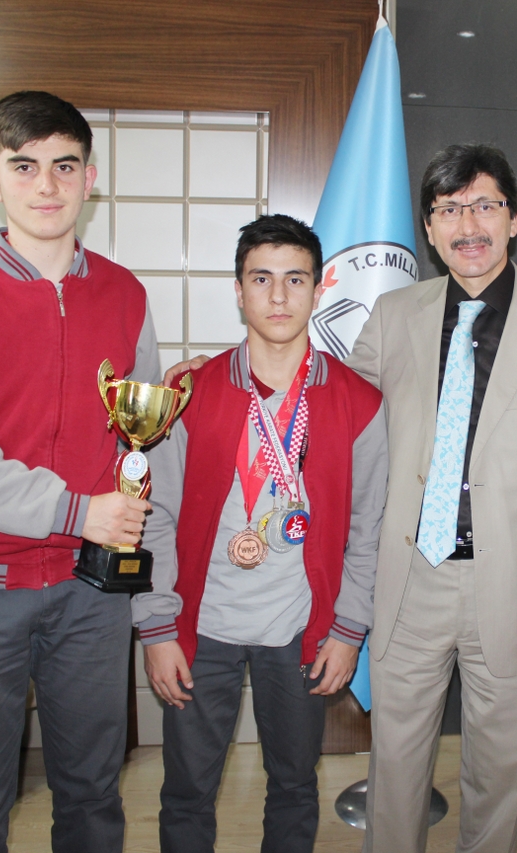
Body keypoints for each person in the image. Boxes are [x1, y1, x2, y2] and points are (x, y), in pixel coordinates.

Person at [0, 91, 158, 853]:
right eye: (24, 166)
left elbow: (139, 440)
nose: (46, 185)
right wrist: (76, 509)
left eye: (64, 166)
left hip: (90, 588)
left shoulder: (126, 293)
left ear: (90, 179)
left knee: (93, 793)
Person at [347, 143, 517, 853]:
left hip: (515, 591)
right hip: (410, 577)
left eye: (485, 205)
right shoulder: (393, 316)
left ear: (514, 218)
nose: (469, 224)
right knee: (394, 768)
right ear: (429, 229)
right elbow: (337, 413)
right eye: (449, 209)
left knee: (500, 773)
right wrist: (240, 371)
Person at [132, 214, 387, 853]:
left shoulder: (358, 402)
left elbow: (369, 531)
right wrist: (157, 627)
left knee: (295, 785)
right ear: (239, 291)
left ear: (319, 290)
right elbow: (155, 515)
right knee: (186, 790)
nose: (278, 296)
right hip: (200, 626)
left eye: (295, 279)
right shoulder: (189, 393)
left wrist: (348, 629)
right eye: (261, 279)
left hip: (301, 629)